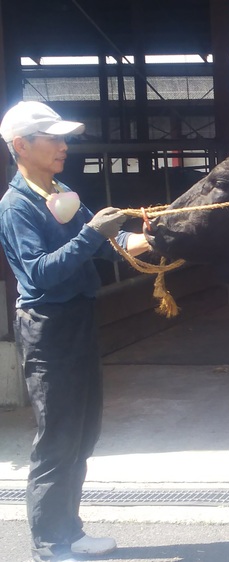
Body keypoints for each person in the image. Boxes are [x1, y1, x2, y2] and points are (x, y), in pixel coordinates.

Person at [0, 101, 150, 562]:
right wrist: (93, 235)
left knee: (83, 432)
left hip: (79, 320)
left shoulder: (61, 192)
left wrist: (144, 238)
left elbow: (108, 245)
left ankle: (71, 530)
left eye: (64, 138)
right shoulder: (16, 206)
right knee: (57, 437)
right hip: (48, 329)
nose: (63, 146)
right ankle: (49, 543)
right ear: (21, 146)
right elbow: (40, 274)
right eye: (53, 139)